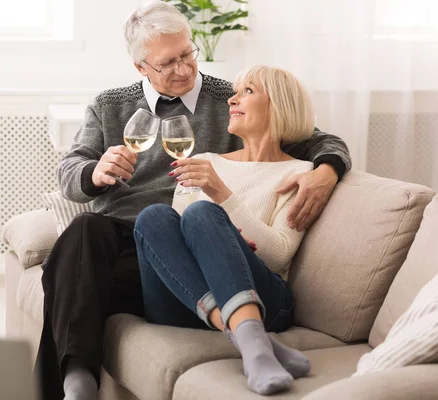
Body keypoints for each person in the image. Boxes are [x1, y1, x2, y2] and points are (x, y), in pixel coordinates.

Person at [36, 2, 351, 400]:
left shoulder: (231, 101)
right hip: (119, 244)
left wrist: (327, 170)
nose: (184, 69)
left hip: (191, 243)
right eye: (167, 63)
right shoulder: (109, 105)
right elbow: (70, 172)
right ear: (142, 68)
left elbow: (314, 135)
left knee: (70, 277)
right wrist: (95, 172)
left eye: (188, 54)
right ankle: (78, 383)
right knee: (81, 236)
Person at [134, 65, 316, 395]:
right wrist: (220, 242)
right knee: (153, 218)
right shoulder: (205, 161)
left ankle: (254, 341)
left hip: (267, 303)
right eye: (235, 91)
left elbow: (277, 256)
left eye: (248, 91)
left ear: (279, 104)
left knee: (203, 212)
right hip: (185, 302)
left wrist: (221, 197)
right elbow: (173, 254)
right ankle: (252, 341)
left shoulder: (302, 173)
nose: (232, 99)